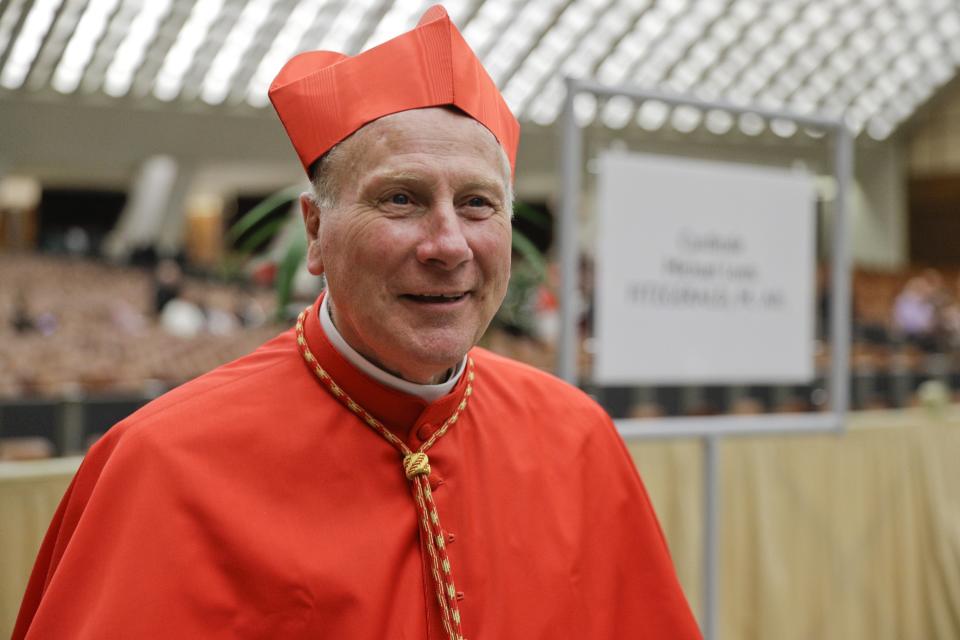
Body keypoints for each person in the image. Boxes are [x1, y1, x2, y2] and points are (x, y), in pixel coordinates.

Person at [13, 6, 700, 639]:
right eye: (400, 199)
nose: (449, 244)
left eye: (478, 204)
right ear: (314, 232)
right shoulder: (159, 464)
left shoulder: (578, 437)